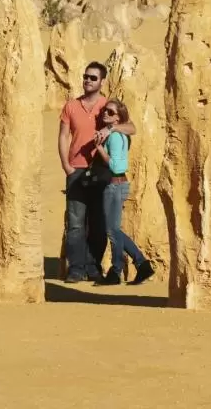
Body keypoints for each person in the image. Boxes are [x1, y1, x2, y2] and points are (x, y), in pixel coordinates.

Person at [57, 62, 136, 283]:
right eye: (85, 77)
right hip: (76, 169)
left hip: (101, 172)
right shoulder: (71, 106)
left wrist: (110, 127)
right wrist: (66, 165)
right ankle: (76, 268)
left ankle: (93, 267)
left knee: (99, 222)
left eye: (93, 78)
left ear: (102, 81)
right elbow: (63, 136)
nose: (88, 81)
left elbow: (131, 128)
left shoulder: (106, 106)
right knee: (75, 222)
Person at [94, 100, 155, 286]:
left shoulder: (114, 136)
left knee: (112, 231)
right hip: (118, 185)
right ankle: (140, 265)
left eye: (110, 112)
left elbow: (116, 165)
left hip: (114, 185)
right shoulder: (118, 133)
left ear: (118, 117)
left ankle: (117, 271)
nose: (106, 113)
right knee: (114, 230)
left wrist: (98, 149)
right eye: (105, 110)